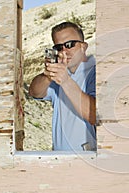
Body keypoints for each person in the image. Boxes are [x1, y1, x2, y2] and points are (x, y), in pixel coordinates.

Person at [29, 22, 96, 151]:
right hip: (60, 159)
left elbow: (94, 115)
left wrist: (66, 81)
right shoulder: (61, 74)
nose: (64, 51)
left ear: (83, 47)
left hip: (88, 160)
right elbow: (34, 92)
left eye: (70, 45)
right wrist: (48, 75)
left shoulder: (96, 73)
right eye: (59, 47)